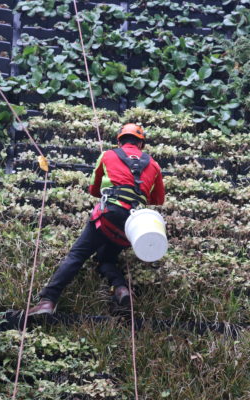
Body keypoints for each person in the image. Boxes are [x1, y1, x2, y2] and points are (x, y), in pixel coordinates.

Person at [28, 123, 165, 315]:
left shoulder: (108, 155)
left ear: (119, 141)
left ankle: (47, 301)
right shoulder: (154, 165)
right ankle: (121, 288)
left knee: (77, 255)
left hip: (107, 216)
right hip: (132, 225)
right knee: (107, 259)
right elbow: (158, 199)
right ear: (141, 144)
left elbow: (93, 190)